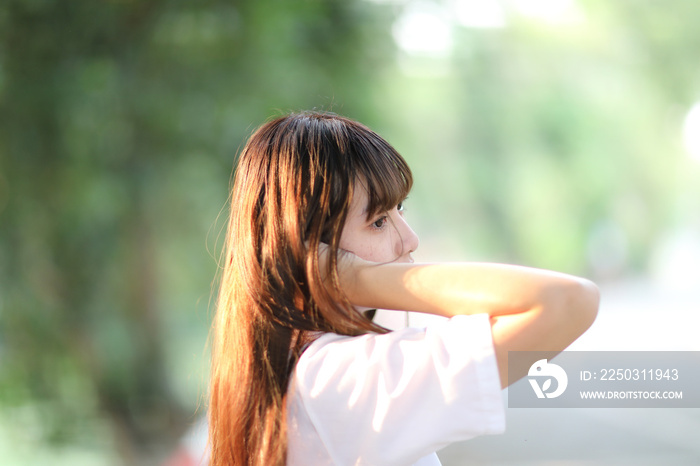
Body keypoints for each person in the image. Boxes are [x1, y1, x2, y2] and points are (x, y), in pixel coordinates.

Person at [208, 111, 599, 466]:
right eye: (379, 221)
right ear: (311, 248)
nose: (409, 239)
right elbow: (567, 301)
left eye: (401, 210)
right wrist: (358, 277)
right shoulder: (337, 377)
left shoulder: (298, 369)